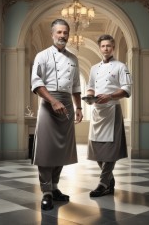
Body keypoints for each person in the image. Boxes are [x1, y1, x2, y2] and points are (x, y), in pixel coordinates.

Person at [31, 19, 83, 210]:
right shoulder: (42, 56)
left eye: (65, 33)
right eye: (59, 32)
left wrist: (78, 108)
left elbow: (76, 86)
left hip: (67, 103)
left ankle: (54, 188)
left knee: (61, 150)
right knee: (46, 150)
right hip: (48, 103)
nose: (63, 36)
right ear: (52, 34)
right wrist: (53, 101)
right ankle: (45, 192)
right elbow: (36, 83)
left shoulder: (73, 59)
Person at [85, 34, 132, 197]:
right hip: (97, 111)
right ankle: (110, 180)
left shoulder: (121, 66)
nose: (106, 48)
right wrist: (90, 97)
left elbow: (126, 90)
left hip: (112, 110)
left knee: (110, 149)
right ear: (100, 48)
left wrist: (110, 96)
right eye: (103, 46)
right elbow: (91, 87)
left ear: (113, 48)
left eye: (109, 46)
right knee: (97, 149)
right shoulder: (94, 68)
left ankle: (102, 183)